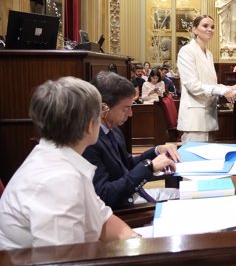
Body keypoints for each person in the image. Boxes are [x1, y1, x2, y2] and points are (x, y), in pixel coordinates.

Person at [0, 77, 135, 249]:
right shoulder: (58, 180)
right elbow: (62, 263)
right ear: (89, 125)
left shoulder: (58, 157)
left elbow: (102, 218)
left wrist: (136, 242)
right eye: (100, 110)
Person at [82, 72, 181, 208]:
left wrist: (158, 151)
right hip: (125, 208)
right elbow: (105, 195)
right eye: (126, 108)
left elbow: (127, 165)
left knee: (191, 194)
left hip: (136, 194)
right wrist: (149, 167)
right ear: (103, 108)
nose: (131, 113)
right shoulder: (88, 142)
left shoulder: (114, 130)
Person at [177, 14, 236, 143]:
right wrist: (221, 90)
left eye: (212, 27)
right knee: (195, 161)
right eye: (205, 26)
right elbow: (193, 86)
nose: (210, 29)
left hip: (209, 114)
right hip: (195, 118)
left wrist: (229, 87)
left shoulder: (209, 54)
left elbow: (209, 84)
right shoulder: (186, 51)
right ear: (194, 30)